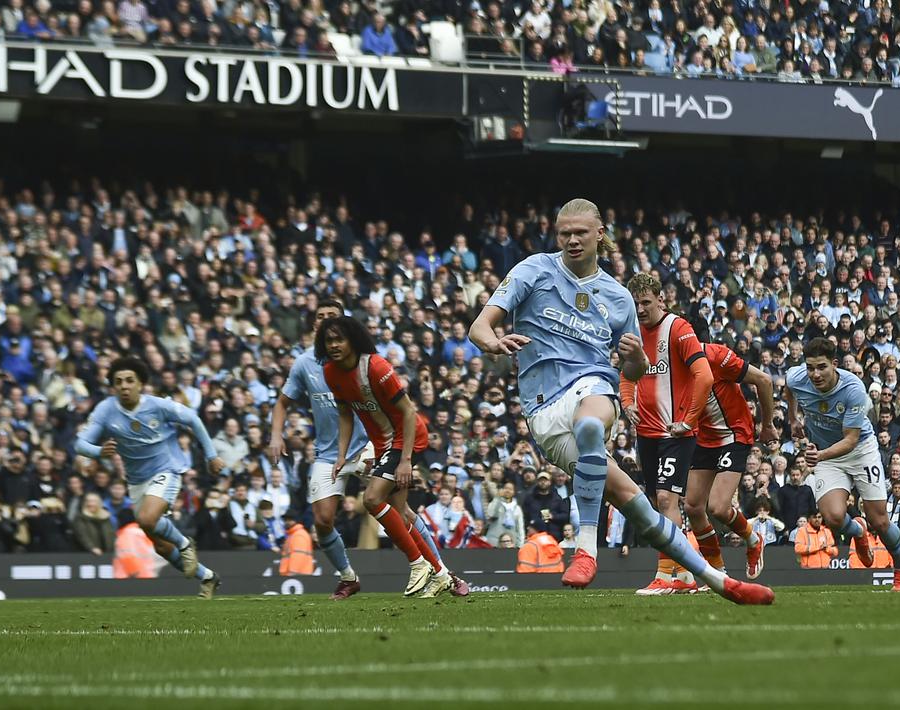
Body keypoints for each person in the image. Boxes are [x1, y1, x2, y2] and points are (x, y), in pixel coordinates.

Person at [468, 197, 772, 605]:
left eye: (580, 233)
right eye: (564, 234)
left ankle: (586, 550)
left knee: (592, 422)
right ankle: (720, 583)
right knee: (642, 509)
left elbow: (632, 371)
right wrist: (494, 342)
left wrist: (633, 360)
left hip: (591, 387)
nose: (572, 240)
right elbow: (479, 327)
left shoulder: (617, 297)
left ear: (600, 235)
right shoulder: (533, 270)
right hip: (542, 409)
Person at [320, 316, 459, 598]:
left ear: (352, 340)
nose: (333, 345)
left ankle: (418, 564)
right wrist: (341, 456)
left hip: (408, 437)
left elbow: (409, 412)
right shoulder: (331, 373)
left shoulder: (376, 367)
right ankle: (442, 574)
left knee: (372, 498)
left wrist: (406, 460)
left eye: (339, 339)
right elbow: (346, 415)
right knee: (401, 511)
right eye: (328, 340)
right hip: (384, 444)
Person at [75, 357, 227, 599]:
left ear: (140, 384)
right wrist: (97, 451)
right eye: (118, 382)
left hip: (166, 470)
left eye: (129, 381)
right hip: (136, 481)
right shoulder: (106, 410)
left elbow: (193, 420)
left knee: (146, 519)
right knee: (162, 546)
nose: (124, 386)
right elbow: (80, 443)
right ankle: (208, 578)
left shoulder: (158, 406)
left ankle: (186, 545)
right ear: (113, 387)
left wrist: (211, 456)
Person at [783, 337, 900, 591]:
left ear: (835, 364)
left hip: (860, 451)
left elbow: (851, 440)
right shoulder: (797, 378)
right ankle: (857, 532)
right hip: (826, 455)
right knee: (832, 517)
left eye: (821, 367)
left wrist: (819, 456)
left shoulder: (853, 389)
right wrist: (793, 418)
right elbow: (789, 388)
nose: (815, 374)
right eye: (810, 367)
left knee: (880, 521)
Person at [269, 298, 373, 598]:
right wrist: (276, 435)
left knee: (389, 507)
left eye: (332, 316)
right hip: (329, 453)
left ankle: (432, 568)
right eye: (320, 316)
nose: (325, 320)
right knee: (322, 520)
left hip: (368, 445)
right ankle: (348, 576)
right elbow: (282, 403)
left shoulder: (361, 357)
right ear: (314, 325)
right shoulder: (304, 363)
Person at [619, 273, 713, 595]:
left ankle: (664, 574)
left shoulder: (679, 329)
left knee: (665, 499)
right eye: (636, 303)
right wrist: (627, 401)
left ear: (661, 299)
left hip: (676, 433)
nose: (641, 309)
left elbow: (704, 376)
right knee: (660, 503)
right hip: (646, 433)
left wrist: (688, 420)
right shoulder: (632, 332)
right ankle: (685, 576)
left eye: (646, 302)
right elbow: (628, 374)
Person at [684, 339, 777, 581]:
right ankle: (717, 573)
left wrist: (767, 425)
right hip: (704, 438)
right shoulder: (669, 364)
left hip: (733, 434)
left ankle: (754, 540)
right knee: (692, 506)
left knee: (718, 507)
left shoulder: (715, 355)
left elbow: (764, 380)